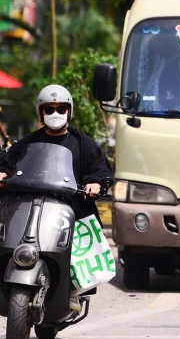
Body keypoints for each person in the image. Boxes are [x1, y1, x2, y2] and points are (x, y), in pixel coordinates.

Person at [0, 85, 114, 311]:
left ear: (69, 111)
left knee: (76, 244)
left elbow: (102, 170)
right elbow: (8, 163)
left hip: (69, 207)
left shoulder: (84, 144)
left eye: (61, 108)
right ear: (40, 112)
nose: (55, 113)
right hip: (31, 205)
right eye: (49, 108)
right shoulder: (27, 144)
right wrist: (3, 172)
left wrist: (95, 183)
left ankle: (74, 287)